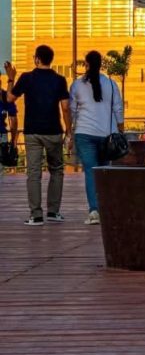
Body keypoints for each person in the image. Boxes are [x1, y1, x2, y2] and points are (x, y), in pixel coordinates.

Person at [5, 47, 72, 225]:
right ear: (51, 59)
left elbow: (10, 98)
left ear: (37, 59)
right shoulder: (60, 80)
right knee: (56, 170)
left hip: (32, 132)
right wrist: (69, 131)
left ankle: (36, 215)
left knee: (34, 173)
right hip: (54, 131)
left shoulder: (27, 78)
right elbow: (65, 107)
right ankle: (53, 212)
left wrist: (10, 78)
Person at [69, 50, 124, 225]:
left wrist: (70, 132)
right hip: (107, 135)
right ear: (101, 65)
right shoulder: (112, 84)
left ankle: (94, 211)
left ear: (86, 64)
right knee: (103, 172)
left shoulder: (77, 85)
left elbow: (71, 111)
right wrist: (120, 131)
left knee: (91, 172)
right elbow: (118, 109)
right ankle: (105, 209)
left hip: (84, 134)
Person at [0, 79, 18, 173]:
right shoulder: (5, 96)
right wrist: (14, 140)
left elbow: (13, 120)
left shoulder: (5, 96)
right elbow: (13, 120)